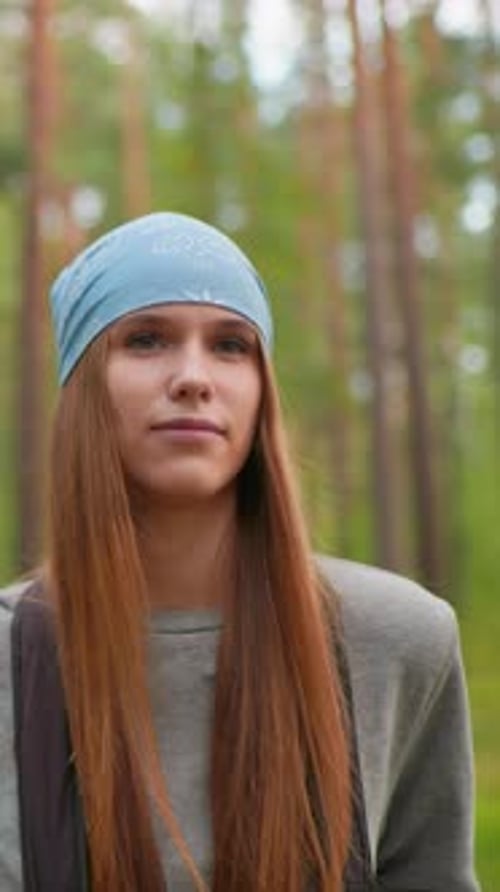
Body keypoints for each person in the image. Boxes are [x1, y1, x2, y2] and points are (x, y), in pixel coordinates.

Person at [0, 212, 479, 892]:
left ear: (261, 391)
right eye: (145, 340)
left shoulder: (400, 640)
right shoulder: (11, 659)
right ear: (82, 386)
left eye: (230, 345)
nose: (193, 377)